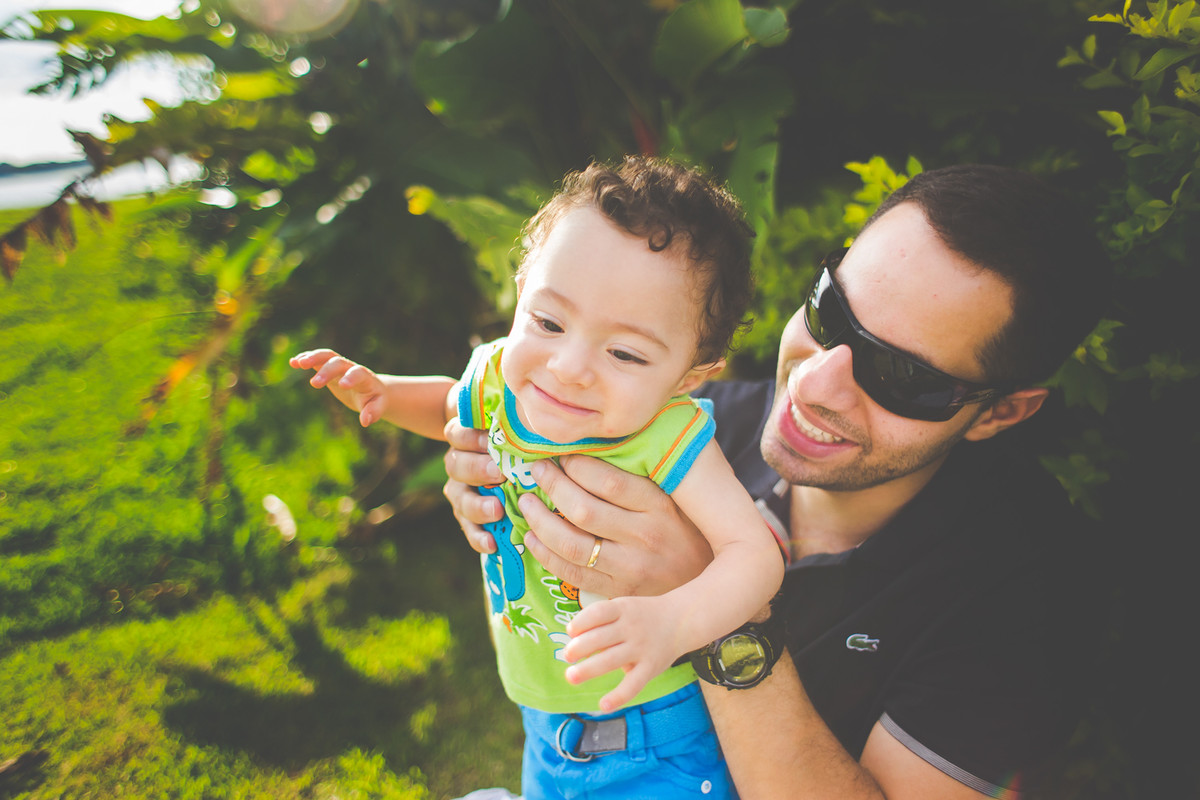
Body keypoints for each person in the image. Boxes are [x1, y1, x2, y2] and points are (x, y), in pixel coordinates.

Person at [443, 163, 1111, 799]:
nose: (814, 385)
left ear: (1000, 412)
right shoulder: (694, 426)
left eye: (901, 376)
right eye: (831, 314)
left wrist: (711, 611)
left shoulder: (1026, 600)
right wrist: (486, 477)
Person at [291, 157, 785, 800]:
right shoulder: (500, 377)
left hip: (658, 732)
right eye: (548, 322)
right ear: (522, 289)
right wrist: (384, 391)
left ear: (691, 375)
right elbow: (452, 405)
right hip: (545, 717)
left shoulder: (666, 436)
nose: (569, 366)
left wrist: (678, 621)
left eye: (626, 353)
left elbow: (754, 557)